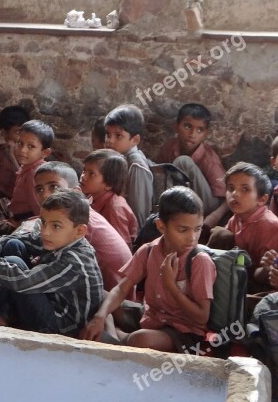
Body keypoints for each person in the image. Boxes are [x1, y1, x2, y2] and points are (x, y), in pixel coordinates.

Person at [81, 187, 216, 353]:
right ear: (161, 226)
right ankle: (113, 332)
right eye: (183, 230)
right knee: (101, 295)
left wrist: (171, 286)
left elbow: (202, 317)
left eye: (197, 229)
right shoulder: (149, 250)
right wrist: (100, 317)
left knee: (141, 339)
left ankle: (117, 336)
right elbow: (122, 288)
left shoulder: (199, 261)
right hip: (152, 317)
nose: (192, 238)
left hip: (183, 332)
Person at [0, 189, 103, 336]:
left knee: (13, 263)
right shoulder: (60, 238)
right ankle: (3, 315)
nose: (45, 231)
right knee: (13, 245)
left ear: (79, 231)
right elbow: (11, 240)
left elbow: (22, 281)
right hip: (50, 301)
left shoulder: (75, 262)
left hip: (60, 327)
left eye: (56, 226)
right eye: (43, 222)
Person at [29, 162, 132, 291]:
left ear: (76, 192)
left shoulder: (78, 223)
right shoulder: (77, 213)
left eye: (54, 187)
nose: (45, 195)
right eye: (39, 189)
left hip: (111, 296)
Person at [157, 103, 228, 228]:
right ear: (176, 126)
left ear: (205, 134)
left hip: (207, 205)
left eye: (200, 130)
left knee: (183, 162)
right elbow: (159, 175)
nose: (192, 134)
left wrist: (214, 217)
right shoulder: (169, 147)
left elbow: (227, 196)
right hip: (183, 202)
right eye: (187, 126)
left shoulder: (209, 158)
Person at [209, 162, 278, 288]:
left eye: (245, 189)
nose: (235, 194)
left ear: (262, 199)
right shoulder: (236, 218)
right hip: (238, 274)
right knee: (220, 235)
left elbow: (263, 276)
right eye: (231, 188)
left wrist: (267, 268)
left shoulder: (271, 226)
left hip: (263, 283)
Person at [104, 104, 153, 228]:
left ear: (135, 140)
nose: (110, 141)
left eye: (118, 136)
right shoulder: (118, 158)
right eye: (108, 134)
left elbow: (139, 214)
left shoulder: (135, 166)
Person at [81, 149, 137, 247]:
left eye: (91, 174)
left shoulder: (114, 208)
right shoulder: (92, 196)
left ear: (109, 184)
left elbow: (122, 246)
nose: (83, 177)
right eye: (84, 170)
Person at [8, 120, 54, 222]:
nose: (22, 150)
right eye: (20, 143)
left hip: (25, 221)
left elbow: (39, 209)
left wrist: (19, 226)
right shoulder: (27, 166)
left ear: (45, 152)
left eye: (31, 146)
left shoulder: (35, 174)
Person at [0, 105, 30, 202]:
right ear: (4, 132)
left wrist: (12, 159)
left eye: (24, 132)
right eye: (17, 132)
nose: (21, 138)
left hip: (10, 206)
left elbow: (27, 186)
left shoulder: (28, 157)